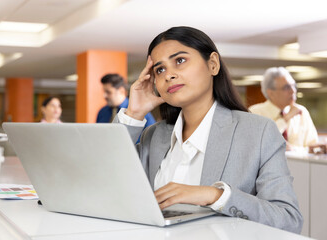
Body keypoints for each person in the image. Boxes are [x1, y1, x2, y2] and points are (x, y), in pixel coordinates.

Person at [115, 26, 302, 233]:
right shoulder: (154, 135)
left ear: (212, 64)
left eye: (179, 60)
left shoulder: (258, 132)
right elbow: (106, 181)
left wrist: (215, 195)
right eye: (160, 69)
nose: (169, 75)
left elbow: (289, 220)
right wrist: (133, 113)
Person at [249, 67, 318, 152]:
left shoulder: (301, 111)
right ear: (271, 93)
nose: (293, 91)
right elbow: (260, 143)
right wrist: (285, 119)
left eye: (294, 86)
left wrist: (294, 150)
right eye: (286, 87)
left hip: (300, 165)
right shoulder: (255, 112)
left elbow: (313, 147)